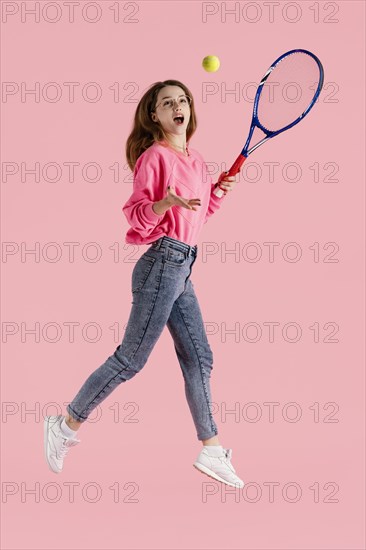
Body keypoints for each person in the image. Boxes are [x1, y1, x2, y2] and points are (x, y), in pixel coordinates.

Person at [44, 79, 244, 488]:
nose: (178, 106)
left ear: (190, 109)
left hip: (183, 265)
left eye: (183, 100)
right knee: (131, 359)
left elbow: (197, 218)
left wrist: (217, 193)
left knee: (200, 358)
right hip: (162, 264)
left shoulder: (196, 158)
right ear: (154, 115)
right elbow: (137, 217)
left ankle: (211, 448)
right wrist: (164, 203)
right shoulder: (155, 157)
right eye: (167, 102)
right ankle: (64, 426)